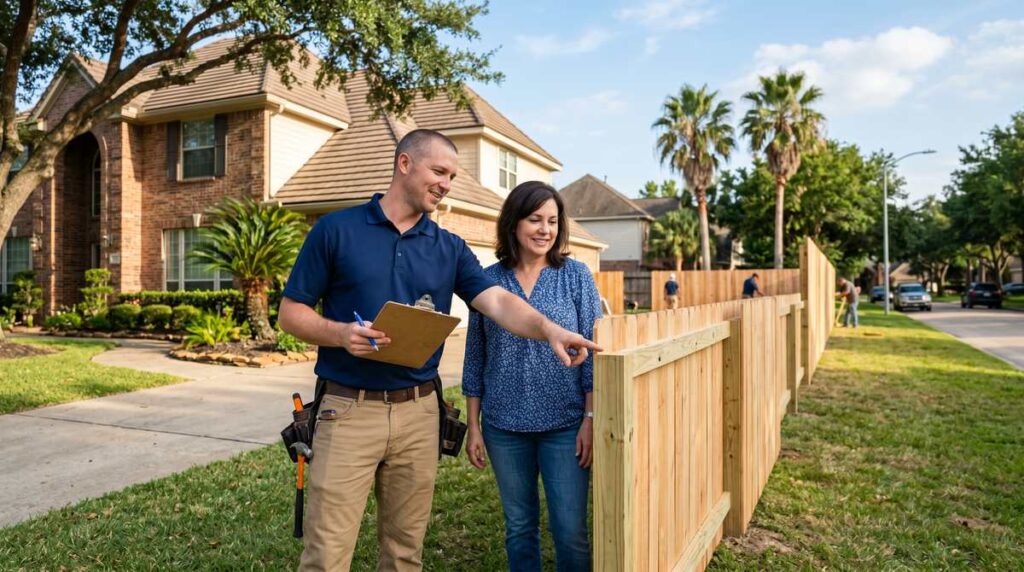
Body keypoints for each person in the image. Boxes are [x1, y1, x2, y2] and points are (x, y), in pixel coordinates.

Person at [277, 129, 601, 572]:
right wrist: (339, 334)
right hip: (348, 411)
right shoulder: (337, 230)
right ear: (405, 164)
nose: (447, 184)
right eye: (440, 171)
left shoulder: (449, 247)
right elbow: (290, 312)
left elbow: (499, 302)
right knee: (327, 554)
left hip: (419, 414)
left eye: (452, 175)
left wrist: (548, 329)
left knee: (405, 552)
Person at [462, 181, 600, 572]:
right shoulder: (488, 280)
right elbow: (475, 357)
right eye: (535, 219)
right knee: (519, 527)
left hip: (565, 424)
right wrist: (474, 425)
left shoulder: (575, 275)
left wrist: (589, 419)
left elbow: (591, 353)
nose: (545, 229)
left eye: (553, 221)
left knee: (570, 529)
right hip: (504, 427)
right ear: (514, 223)